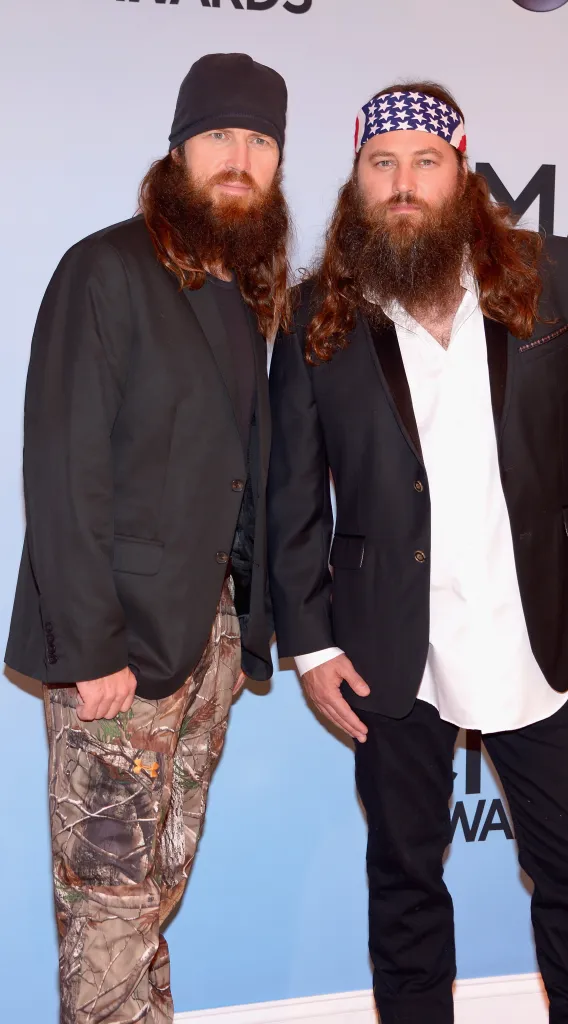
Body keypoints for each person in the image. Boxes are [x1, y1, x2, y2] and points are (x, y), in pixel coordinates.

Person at [267, 81, 568, 1024]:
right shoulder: (314, 316)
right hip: (385, 646)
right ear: (356, 182)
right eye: (382, 165)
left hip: (535, 628)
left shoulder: (552, 275)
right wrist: (311, 640)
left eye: (424, 161)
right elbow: (293, 488)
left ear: (461, 170)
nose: (402, 183)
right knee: (405, 883)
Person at [5, 52, 289, 1024]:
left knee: (149, 898)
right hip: (119, 656)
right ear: (178, 151)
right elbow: (62, 469)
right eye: (219, 136)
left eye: (260, 140)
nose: (239, 158)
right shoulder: (105, 269)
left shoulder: (249, 296)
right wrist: (90, 653)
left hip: (204, 652)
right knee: (107, 908)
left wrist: (248, 629)